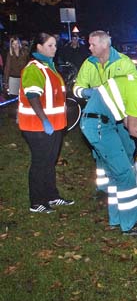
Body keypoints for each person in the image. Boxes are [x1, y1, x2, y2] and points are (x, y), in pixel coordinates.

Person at [79, 70, 137, 234]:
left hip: (99, 124)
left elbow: (127, 121)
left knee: (116, 174)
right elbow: (133, 129)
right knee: (125, 174)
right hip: (100, 126)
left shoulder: (134, 84)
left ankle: (117, 219)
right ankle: (130, 223)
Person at [73, 30, 137, 194]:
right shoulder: (89, 63)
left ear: (104, 45)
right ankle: (104, 188)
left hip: (120, 117)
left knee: (126, 149)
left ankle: (128, 182)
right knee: (102, 153)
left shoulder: (123, 63)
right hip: (100, 118)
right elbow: (76, 88)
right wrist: (89, 93)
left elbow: (136, 87)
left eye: (92, 44)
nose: (89, 48)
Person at [18, 33, 73, 213]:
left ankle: (51, 196)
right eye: (50, 45)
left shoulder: (48, 67)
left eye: (55, 45)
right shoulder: (35, 68)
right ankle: (36, 202)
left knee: (50, 161)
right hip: (38, 126)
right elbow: (32, 96)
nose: (54, 48)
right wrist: (44, 121)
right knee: (40, 163)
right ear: (39, 48)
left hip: (54, 125)